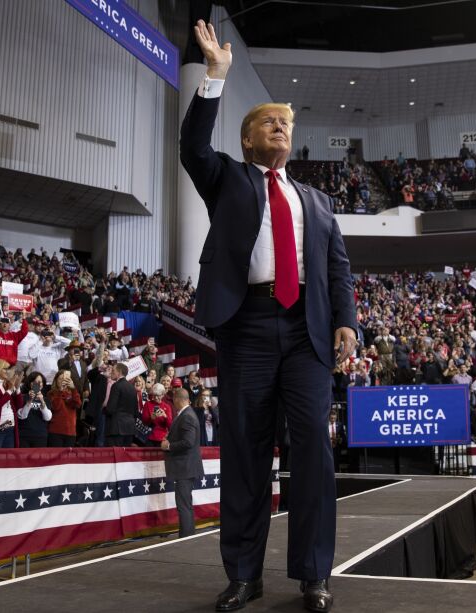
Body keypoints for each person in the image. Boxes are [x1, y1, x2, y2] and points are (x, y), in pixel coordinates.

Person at [183, 21, 357, 613]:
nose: (281, 127)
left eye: (286, 122)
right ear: (249, 140)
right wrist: (215, 77)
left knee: (313, 449)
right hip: (247, 327)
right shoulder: (227, 179)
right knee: (246, 452)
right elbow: (193, 149)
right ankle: (243, 575)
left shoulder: (318, 202)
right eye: (268, 122)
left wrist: (348, 322)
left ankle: (314, 575)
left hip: (307, 334)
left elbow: (338, 271)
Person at [162, 386, 204, 538]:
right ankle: (188, 535)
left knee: (184, 505)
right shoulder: (186, 414)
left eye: (174, 400)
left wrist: (169, 445)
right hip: (185, 467)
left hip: (185, 468)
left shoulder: (187, 416)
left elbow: (188, 442)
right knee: (185, 504)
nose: (173, 402)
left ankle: (186, 538)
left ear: (178, 400)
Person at [104, 362, 136, 447]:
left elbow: (110, 409)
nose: (111, 372)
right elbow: (135, 410)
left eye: (113, 370)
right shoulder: (132, 388)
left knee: (115, 457)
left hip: (117, 428)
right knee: (124, 459)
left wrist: (103, 409)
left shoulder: (116, 386)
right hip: (129, 428)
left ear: (119, 372)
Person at [18, 371, 52, 447]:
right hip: (24, 435)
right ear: (30, 383)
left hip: (40, 436)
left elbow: (47, 418)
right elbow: (22, 416)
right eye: (34, 382)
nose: (38, 384)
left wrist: (42, 401)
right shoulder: (23, 397)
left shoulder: (46, 400)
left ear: (43, 384)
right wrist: (29, 400)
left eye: (40, 382)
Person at [47, 369, 80, 447]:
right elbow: (56, 407)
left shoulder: (72, 392)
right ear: (56, 380)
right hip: (56, 431)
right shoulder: (51, 393)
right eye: (60, 379)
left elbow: (77, 404)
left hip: (70, 432)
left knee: (67, 458)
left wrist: (73, 389)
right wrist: (60, 391)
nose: (62, 381)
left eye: (65, 379)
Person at [141, 382, 173, 447]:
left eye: (158, 395)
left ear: (163, 395)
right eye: (154, 395)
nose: (155, 398)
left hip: (162, 438)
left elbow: (170, 426)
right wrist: (151, 418)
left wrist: (165, 416)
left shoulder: (167, 407)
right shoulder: (147, 404)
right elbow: (144, 422)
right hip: (149, 437)